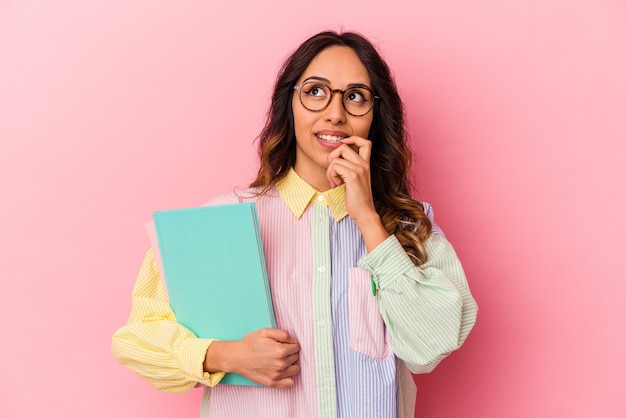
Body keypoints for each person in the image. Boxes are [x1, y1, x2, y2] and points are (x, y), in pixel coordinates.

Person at [112, 30, 478, 418]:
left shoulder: (407, 225)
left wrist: (370, 221)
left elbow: (432, 343)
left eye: (355, 96)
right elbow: (137, 338)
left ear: (375, 115)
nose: (335, 113)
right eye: (316, 91)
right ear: (290, 103)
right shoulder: (218, 223)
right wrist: (225, 355)